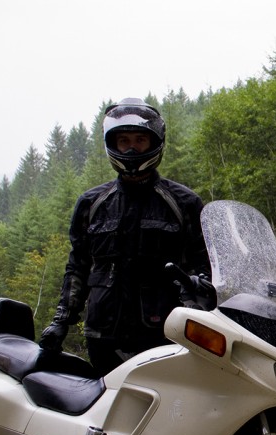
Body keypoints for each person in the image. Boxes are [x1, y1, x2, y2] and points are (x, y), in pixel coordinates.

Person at [38, 98, 210, 374]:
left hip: (164, 333)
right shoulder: (91, 203)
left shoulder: (184, 203)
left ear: (155, 142)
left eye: (140, 139)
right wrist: (61, 321)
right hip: (104, 334)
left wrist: (202, 299)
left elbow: (204, 264)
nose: (132, 147)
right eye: (124, 140)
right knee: (106, 411)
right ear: (113, 144)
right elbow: (78, 267)